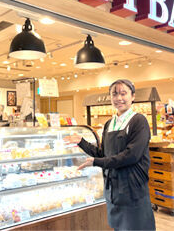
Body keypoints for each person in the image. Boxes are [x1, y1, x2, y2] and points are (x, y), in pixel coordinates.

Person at [64, 79, 155, 231]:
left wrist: (96, 162)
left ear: (132, 96)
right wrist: (82, 142)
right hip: (113, 190)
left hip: (132, 189)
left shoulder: (139, 121)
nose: (119, 98)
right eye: (115, 94)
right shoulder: (109, 124)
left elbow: (131, 155)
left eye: (123, 93)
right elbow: (103, 154)